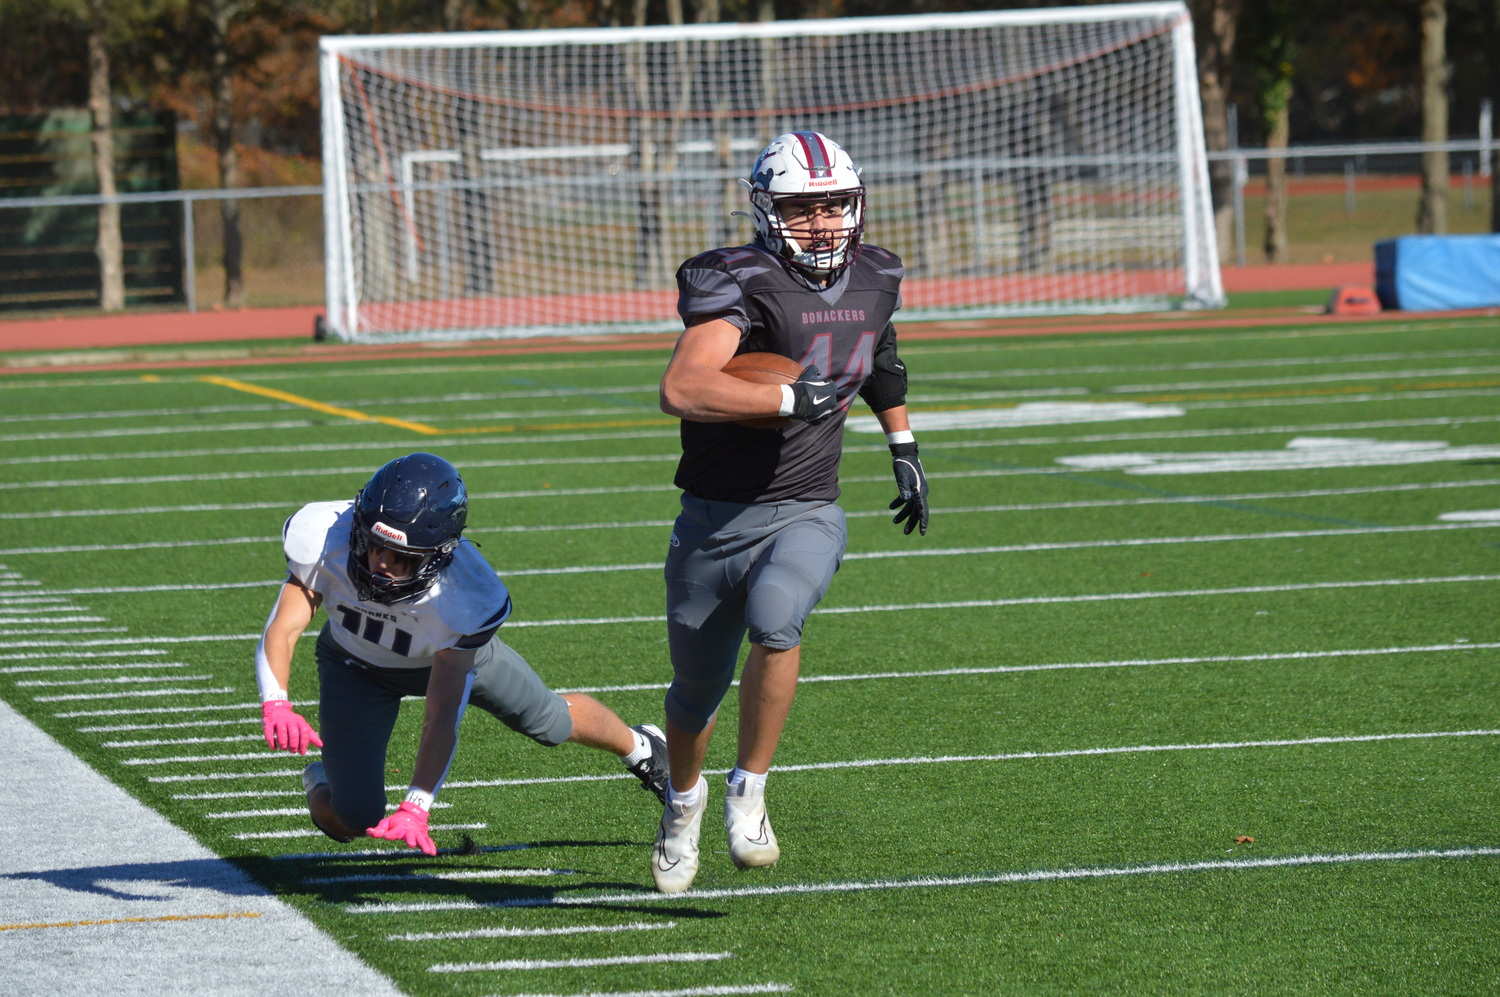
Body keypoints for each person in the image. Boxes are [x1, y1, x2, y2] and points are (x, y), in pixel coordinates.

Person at [651, 130, 930, 893]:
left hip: (808, 506)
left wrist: (902, 443)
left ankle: (750, 789)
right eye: (803, 208)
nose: (822, 222)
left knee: (779, 616)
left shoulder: (876, 274)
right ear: (768, 212)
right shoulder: (735, 278)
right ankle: (683, 804)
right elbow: (682, 386)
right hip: (713, 519)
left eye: (835, 204)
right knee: (693, 695)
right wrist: (786, 396)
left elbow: (882, 351)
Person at [254, 451, 668, 855]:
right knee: (352, 817)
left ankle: (641, 748)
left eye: (400, 558)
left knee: (550, 723)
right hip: (354, 666)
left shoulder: (465, 595)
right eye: (371, 544)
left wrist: (417, 805)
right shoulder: (325, 535)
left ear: (438, 555)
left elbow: (442, 714)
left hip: (442, 661)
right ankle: (324, 778)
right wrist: (275, 703)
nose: (380, 563)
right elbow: (284, 627)